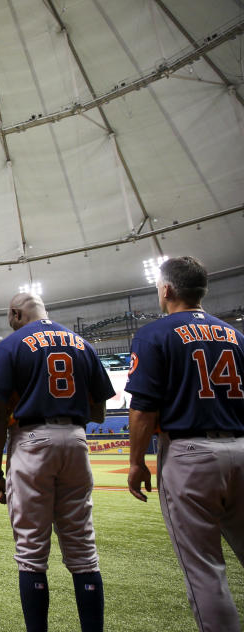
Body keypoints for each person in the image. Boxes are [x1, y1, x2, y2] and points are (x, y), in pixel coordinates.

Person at [125, 256, 244, 632]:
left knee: (205, 572)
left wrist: (136, 461)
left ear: (167, 289)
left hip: (191, 456)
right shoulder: (236, 335)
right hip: (240, 447)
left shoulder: (154, 334)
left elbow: (144, 410)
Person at [0, 293, 114, 632]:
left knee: (31, 552)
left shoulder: (12, 345)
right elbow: (99, 411)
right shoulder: (81, 343)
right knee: (83, 549)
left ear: (15, 312)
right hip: (75, 439)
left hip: (32, 441)